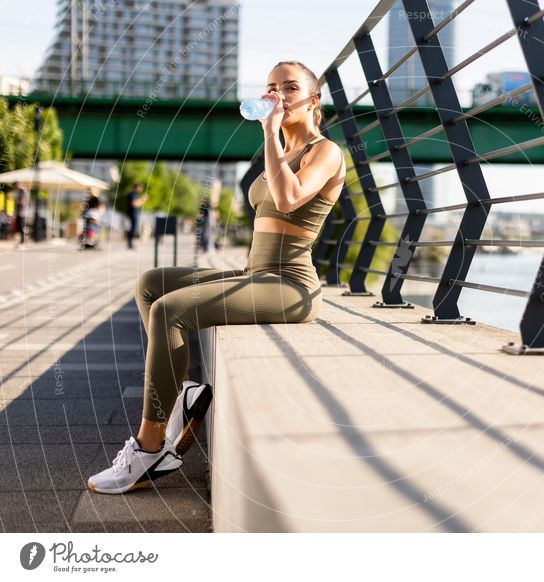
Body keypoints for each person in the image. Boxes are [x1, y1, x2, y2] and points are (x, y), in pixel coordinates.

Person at [87, 60, 345, 494]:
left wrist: (269, 131)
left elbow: (286, 200)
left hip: (291, 286)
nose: (277, 96)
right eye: (270, 88)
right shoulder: (279, 151)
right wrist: (274, 138)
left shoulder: (325, 151)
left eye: (289, 87)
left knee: (170, 311)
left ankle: (150, 450)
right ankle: (183, 392)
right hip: (256, 273)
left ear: (313, 100)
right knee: (153, 283)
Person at [126, 183, 147, 249]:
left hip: (134, 213)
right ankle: (129, 242)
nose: (140, 190)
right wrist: (142, 200)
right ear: (136, 188)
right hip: (132, 213)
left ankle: (130, 242)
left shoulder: (135, 195)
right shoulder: (132, 194)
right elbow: (134, 204)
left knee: (133, 228)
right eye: (139, 188)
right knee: (133, 228)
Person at [12, 182, 30, 249]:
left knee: (21, 228)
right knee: (19, 228)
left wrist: (16, 200)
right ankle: (21, 242)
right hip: (19, 213)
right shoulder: (19, 191)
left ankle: (23, 243)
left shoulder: (22, 191)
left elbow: (23, 202)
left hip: (22, 213)